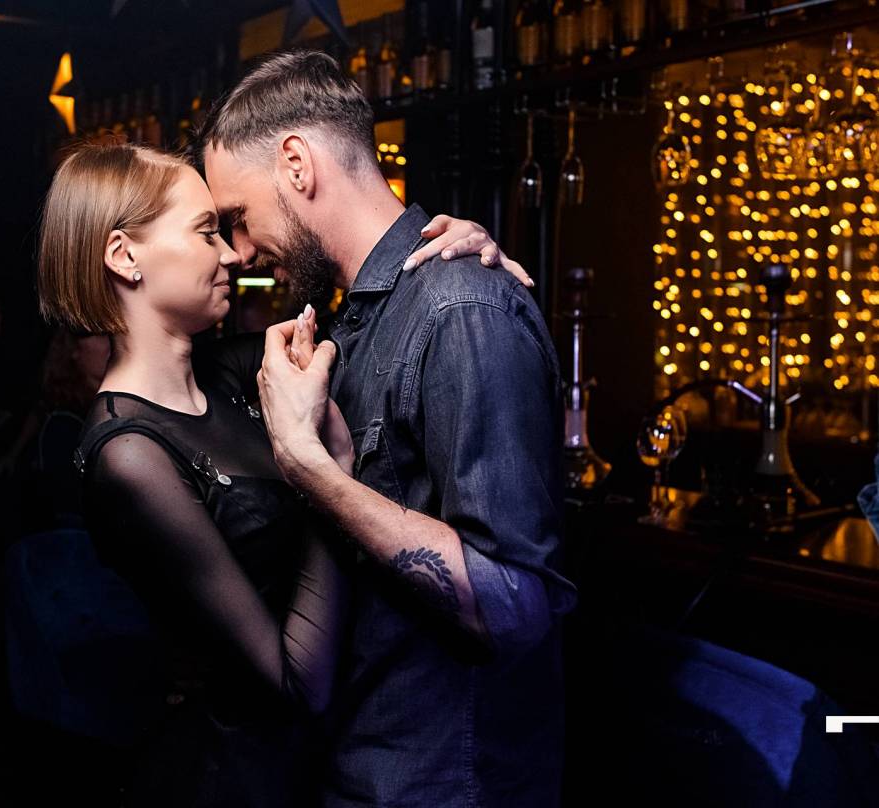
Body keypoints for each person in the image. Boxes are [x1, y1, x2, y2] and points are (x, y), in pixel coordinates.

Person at [34, 142, 525, 807]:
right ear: (124, 256)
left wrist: (455, 260)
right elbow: (296, 684)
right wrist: (326, 473)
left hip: (341, 759)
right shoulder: (128, 454)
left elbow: (385, 327)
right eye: (206, 232)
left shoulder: (236, 369)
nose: (233, 254)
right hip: (236, 779)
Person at [199, 50, 579, 807]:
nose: (239, 253)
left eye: (238, 218)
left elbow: (514, 605)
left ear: (297, 164)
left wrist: (311, 468)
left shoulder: (460, 308)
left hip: (440, 784)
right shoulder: (360, 317)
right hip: (365, 760)